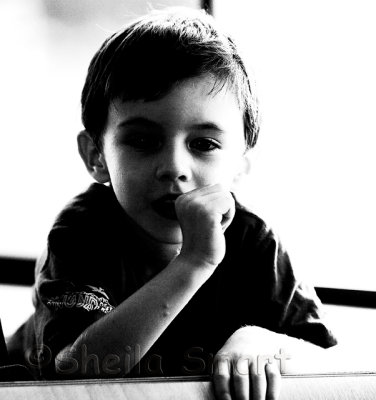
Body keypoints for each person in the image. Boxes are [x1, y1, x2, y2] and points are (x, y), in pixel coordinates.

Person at [7, 7, 337, 400]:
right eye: (143, 141)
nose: (174, 168)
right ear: (96, 156)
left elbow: (334, 362)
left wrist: (266, 342)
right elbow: (73, 376)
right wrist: (194, 263)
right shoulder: (82, 232)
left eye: (204, 144)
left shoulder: (255, 242)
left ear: (239, 167)